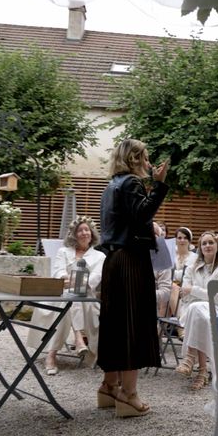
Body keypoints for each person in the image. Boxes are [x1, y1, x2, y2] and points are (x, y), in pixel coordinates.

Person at [97, 138, 170, 417]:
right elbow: (143, 214)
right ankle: (129, 395)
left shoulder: (110, 186)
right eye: (146, 158)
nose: (150, 164)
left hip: (114, 260)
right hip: (130, 260)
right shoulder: (131, 183)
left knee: (114, 324)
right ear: (135, 159)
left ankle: (108, 385)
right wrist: (159, 184)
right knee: (131, 325)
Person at [27, 216, 105, 375]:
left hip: (88, 299)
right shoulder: (63, 252)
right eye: (80, 230)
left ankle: (51, 355)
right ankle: (78, 338)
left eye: (86, 230)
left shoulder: (100, 256)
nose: (84, 233)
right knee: (69, 298)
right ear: (74, 235)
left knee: (70, 298)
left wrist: (73, 282)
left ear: (92, 234)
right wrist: (76, 281)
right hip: (63, 295)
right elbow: (58, 273)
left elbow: (95, 279)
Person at [174, 231, 218, 390]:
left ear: (217, 246)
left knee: (197, 309)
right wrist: (203, 293)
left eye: (211, 242)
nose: (207, 246)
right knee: (197, 311)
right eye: (204, 243)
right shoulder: (191, 268)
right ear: (200, 247)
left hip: (215, 311)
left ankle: (192, 361)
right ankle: (202, 371)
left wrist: (194, 290)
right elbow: (184, 295)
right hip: (191, 312)